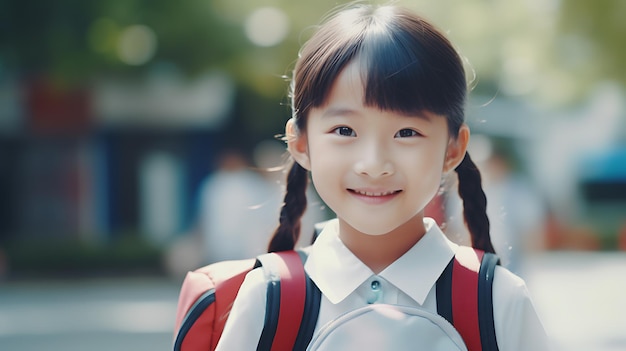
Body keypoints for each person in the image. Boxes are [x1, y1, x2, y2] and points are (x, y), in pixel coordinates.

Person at [215, 3, 549, 350]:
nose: (374, 164)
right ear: (301, 143)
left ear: (453, 149)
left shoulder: (499, 302)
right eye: (344, 130)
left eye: (406, 132)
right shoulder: (268, 299)